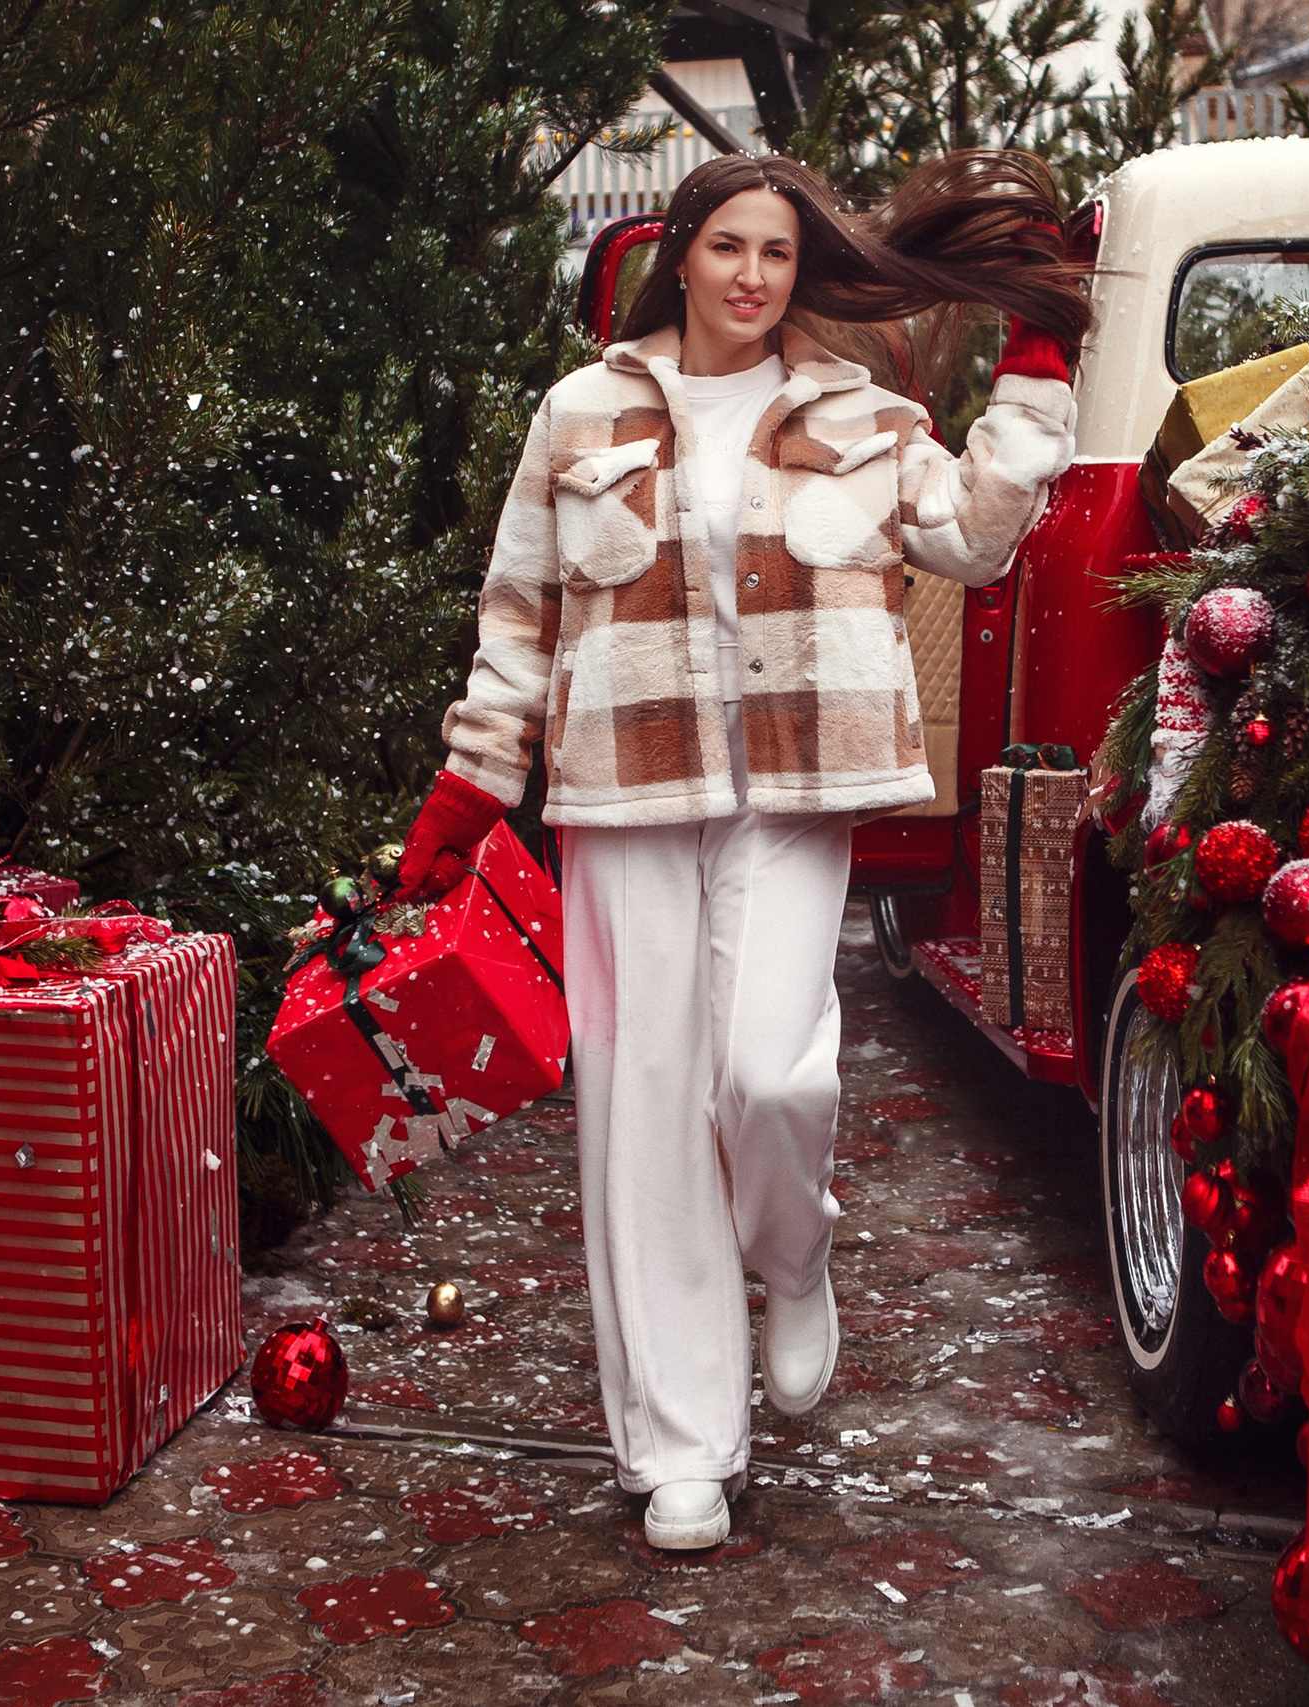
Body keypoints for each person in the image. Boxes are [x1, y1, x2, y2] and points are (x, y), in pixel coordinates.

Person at [391, 150, 1086, 1550]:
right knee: (645, 1107)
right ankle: (683, 1446)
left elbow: (976, 542)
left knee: (770, 1071)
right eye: (730, 249)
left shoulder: (862, 410)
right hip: (621, 784)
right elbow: (521, 608)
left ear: (801, 268)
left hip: (799, 784)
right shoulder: (582, 409)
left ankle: (796, 1253)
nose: (754, 278)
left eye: (778, 254)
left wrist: (1037, 370)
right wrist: (474, 781)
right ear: (682, 250)